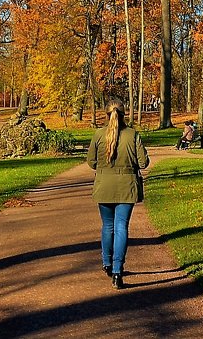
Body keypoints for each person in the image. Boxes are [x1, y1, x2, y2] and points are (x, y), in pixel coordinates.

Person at [87, 101, 150, 290]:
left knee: (108, 226)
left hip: (104, 185)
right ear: (124, 115)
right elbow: (143, 162)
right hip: (126, 186)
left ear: (106, 115)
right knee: (121, 226)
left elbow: (91, 162)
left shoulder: (99, 134)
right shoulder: (132, 134)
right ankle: (117, 270)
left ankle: (106, 263)